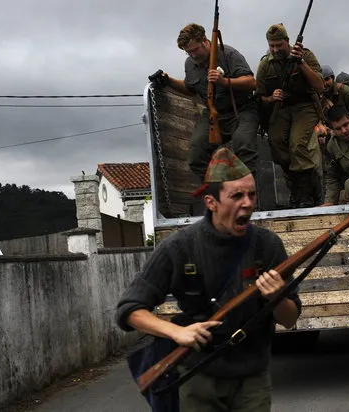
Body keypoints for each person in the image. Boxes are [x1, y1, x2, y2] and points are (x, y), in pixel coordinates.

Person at [116, 147, 301, 412]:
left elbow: (290, 318)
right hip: (197, 373)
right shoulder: (180, 247)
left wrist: (277, 295)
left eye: (251, 194)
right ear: (211, 203)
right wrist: (176, 332)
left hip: (252, 376)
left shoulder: (267, 245)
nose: (248, 203)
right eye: (236, 195)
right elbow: (129, 309)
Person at [155, 23, 259, 183]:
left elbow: (251, 82)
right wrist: (168, 81)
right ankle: (220, 191)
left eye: (195, 50)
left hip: (242, 109)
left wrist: (224, 81)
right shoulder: (190, 64)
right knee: (196, 156)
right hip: (213, 114)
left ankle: (248, 196)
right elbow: (191, 89)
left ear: (204, 41)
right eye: (188, 52)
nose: (192, 55)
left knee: (244, 146)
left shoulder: (228, 54)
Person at [256, 23, 325, 208]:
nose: (275, 49)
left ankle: (305, 195)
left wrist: (301, 62)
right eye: (272, 45)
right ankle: (300, 187)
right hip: (281, 107)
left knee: (297, 144)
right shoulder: (265, 64)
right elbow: (259, 94)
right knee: (276, 142)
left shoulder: (305, 55)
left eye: (279, 45)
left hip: (305, 105)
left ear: (287, 42)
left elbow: (319, 86)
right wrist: (271, 98)